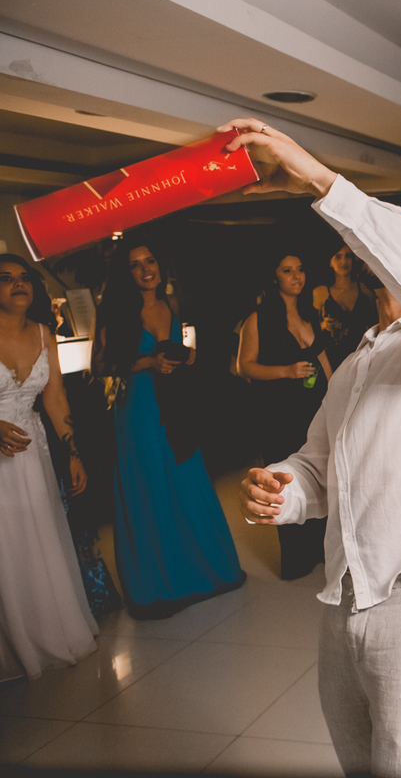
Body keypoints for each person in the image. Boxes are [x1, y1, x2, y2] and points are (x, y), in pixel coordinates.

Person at [228, 116, 401, 778]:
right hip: (345, 594)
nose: (384, 234)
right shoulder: (355, 361)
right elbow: (320, 466)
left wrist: (318, 178)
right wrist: (283, 487)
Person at [94, 240, 245, 619]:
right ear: (126, 273)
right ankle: (159, 585)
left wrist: (187, 355)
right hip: (139, 410)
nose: (146, 269)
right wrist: (146, 363)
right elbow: (99, 366)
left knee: (186, 481)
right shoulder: (117, 310)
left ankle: (203, 572)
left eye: (150, 261)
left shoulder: (170, 305)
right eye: (135, 264)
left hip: (176, 406)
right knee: (151, 488)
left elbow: (174, 350)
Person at [0, 254, 98, 681]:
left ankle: (49, 632)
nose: (18, 284)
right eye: (6, 279)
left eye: (24, 278)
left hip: (33, 452)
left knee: (39, 537)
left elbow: (55, 398)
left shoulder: (45, 333)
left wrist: (73, 452)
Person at [238, 248, 334, 580]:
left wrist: (338, 397)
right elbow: (245, 366)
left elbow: (324, 361)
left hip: (315, 410)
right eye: (287, 270)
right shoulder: (258, 318)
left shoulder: (309, 315)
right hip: (278, 413)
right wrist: (287, 371)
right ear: (275, 277)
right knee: (286, 480)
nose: (296, 276)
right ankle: (297, 559)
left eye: (300, 269)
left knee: (321, 475)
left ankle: (323, 550)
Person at [313, 244, 377, 371]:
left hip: (360, 358)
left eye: (348, 256)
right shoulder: (321, 293)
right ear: (330, 262)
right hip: (332, 361)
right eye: (338, 257)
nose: (344, 262)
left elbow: (374, 323)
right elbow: (311, 330)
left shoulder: (364, 290)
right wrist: (323, 325)